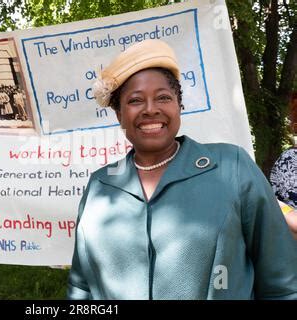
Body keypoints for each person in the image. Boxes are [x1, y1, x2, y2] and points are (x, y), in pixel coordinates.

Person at [67, 40, 297, 300]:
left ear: (179, 105)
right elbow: (82, 286)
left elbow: (282, 284)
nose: (150, 109)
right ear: (119, 114)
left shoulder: (232, 166)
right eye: (135, 100)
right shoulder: (99, 186)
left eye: (163, 97)